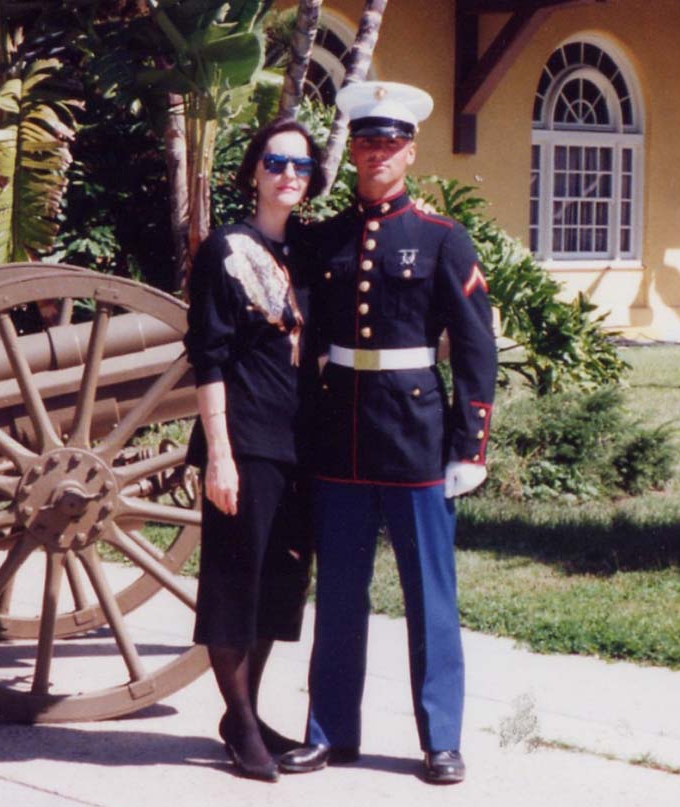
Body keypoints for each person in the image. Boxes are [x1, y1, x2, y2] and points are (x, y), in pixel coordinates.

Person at [278, 81, 497, 785]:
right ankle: (329, 731)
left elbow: (476, 347)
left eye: (390, 143)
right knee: (339, 595)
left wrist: (471, 445)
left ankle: (441, 740)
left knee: (430, 597)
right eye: (367, 142)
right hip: (340, 434)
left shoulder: (441, 239)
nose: (378, 154)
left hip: (416, 438)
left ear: (410, 152)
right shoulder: (327, 239)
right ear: (354, 153)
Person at [183, 118, 325, 783]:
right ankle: (240, 724)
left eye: (301, 165)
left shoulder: (309, 251)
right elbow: (207, 357)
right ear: (254, 172)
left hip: (300, 445)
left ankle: (246, 712)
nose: (288, 175)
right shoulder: (225, 250)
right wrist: (219, 454)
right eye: (276, 163)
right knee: (235, 585)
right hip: (245, 442)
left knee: (278, 588)